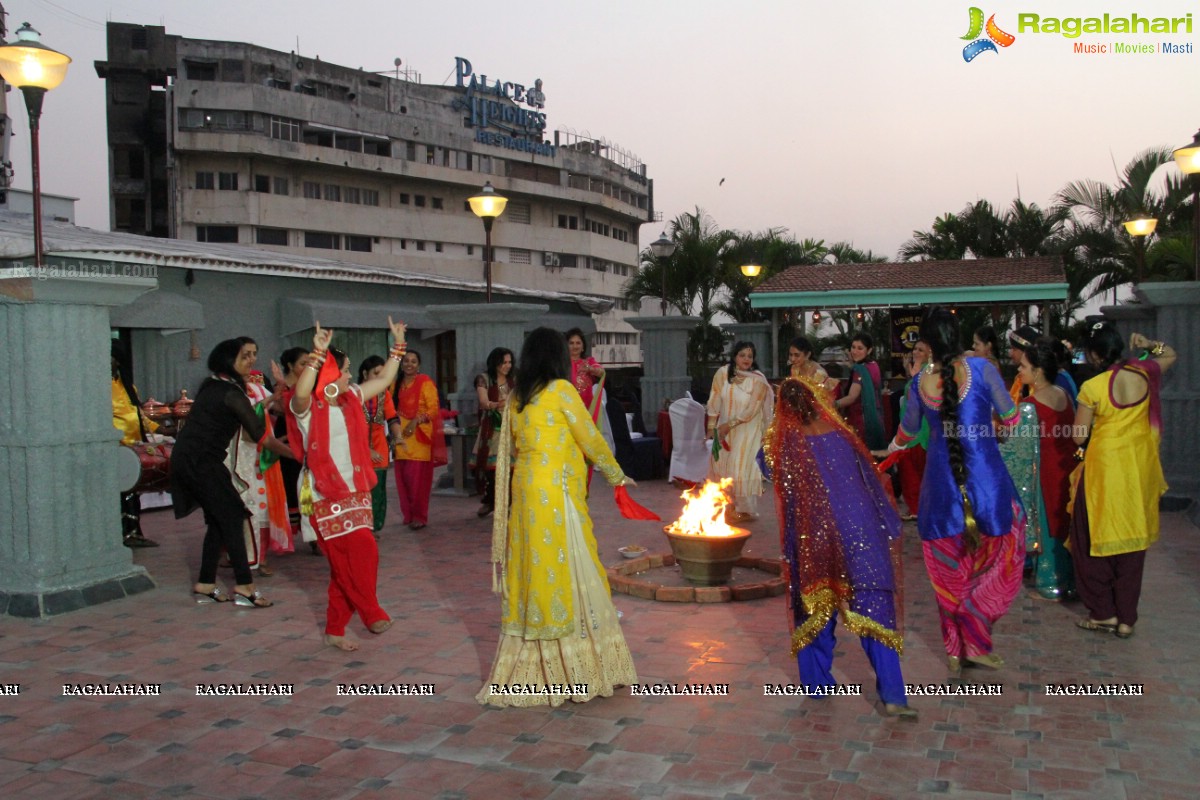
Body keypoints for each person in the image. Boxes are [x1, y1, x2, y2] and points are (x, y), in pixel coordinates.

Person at [477, 327, 637, 707]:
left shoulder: (516, 397)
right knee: (570, 566)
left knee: (535, 565)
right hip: (556, 494)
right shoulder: (562, 391)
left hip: (527, 491)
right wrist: (616, 474)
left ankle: (532, 665)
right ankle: (574, 668)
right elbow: (590, 439)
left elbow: (515, 447)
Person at [885, 308, 1026, 676]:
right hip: (988, 484)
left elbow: (907, 432)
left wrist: (890, 448)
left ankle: (953, 650)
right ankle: (977, 634)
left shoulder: (919, 384)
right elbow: (1011, 416)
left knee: (948, 572)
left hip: (940, 490)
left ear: (927, 344)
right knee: (1000, 556)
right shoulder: (982, 370)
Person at [767, 378, 915, 718]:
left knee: (815, 606)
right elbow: (872, 479)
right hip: (860, 528)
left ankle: (817, 683)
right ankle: (894, 694)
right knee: (874, 608)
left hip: (815, 533)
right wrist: (887, 526)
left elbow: (771, 472)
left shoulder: (781, 440)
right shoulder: (844, 434)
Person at [288, 319, 407, 650]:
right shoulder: (309, 407)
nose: (350, 376)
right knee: (351, 556)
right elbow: (302, 391)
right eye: (345, 370)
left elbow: (384, 379)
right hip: (323, 492)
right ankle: (371, 612)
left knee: (354, 560)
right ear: (328, 372)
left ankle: (334, 630)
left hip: (355, 490)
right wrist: (317, 353)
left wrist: (398, 345)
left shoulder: (351, 397)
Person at [1070, 324, 1175, 640]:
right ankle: (1127, 619)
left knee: (1089, 540)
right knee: (1133, 540)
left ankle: (1104, 613)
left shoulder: (1093, 386)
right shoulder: (1144, 374)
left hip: (1104, 470)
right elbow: (1170, 354)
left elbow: (1078, 435)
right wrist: (1149, 343)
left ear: (1094, 354)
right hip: (1138, 469)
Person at [171, 339, 291, 607]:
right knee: (233, 516)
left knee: (219, 520)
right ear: (228, 359)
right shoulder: (229, 392)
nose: (251, 360)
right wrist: (300, 456)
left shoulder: (215, 385)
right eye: (245, 355)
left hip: (196, 459)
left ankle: (205, 585)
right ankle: (245, 587)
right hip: (200, 462)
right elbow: (262, 437)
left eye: (253, 355)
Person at [706, 341, 773, 522]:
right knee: (722, 465)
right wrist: (712, 427)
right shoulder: (723, 373)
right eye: (742, 355)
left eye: (750, 356)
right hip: (724, 429)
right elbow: (715, 399)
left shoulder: (758, 380)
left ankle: (744, 510)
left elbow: (752, 410)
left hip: (747, 430)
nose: (746, 359)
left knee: (740, 468)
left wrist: (729, 425)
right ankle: (725, 505)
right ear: (734, 356)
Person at [111, 340, 160, 548]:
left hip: (132, 447)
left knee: (132, 493)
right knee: (118, 494)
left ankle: (133, 533)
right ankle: (120, 535)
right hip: (113, 447)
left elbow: (136, 414)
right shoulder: (97, 384)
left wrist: (158, 430)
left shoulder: (127, 385)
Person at [390, 349, 445, 530]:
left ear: (419, 365)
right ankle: (409, 514)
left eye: (413, 361)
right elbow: (390, 408)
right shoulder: (395, 384)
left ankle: (419, 516)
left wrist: (416, 420)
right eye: (406, 361)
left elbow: (433, 410)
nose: (409, 364)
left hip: (419, 436)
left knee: (417, 481)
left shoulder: (425, 383)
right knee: (403, 479)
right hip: (400, 435)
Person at [471, 347, 515, 518]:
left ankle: (508, 504)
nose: (507, 366)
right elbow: (483, 402)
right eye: (504, 362)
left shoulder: (514, 379)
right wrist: (496, 405)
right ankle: (490, 501)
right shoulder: (484, 379)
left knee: (511, 469)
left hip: (511, 428)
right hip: (492, 428)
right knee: (491, 469)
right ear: (495, 362)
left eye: (510, 362)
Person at [358, 355, 399, 532]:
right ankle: (362, 527)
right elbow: (349, 428)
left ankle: (374, 527)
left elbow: (392, 418)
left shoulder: (384, 394)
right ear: (365, 374)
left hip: (379, 448)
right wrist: (367, 450)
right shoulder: (354, 394)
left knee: (378, 492)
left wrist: (398, 436)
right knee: (361, 491)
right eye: (376, 374)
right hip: (357, 449)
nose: (381, 379)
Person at [895, 340, 931, 522]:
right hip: (915, 430)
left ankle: (918, 508)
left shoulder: (928, 374)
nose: (915, 352)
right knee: (914, 471)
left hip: (919, 432)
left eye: (920, 349)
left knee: (912, 469)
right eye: (915, 348)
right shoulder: (922, 373)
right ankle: (918, 508)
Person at [835, 333, 886, 450]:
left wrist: (833, 404)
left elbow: (852, 397)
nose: (855, 351)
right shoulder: (874, 365)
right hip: (876, 418)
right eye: (853, 347)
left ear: (869, 350)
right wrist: (852, 366)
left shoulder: (860, 369)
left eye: (860, 348)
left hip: (862, 420)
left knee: (861, 457)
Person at [787, 336, 836, 405]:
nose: (792, 359)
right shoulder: (794, 368)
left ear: (808, 355)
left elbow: (822, 401)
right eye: (791, 355)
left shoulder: (819, 373)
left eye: (797, 355)